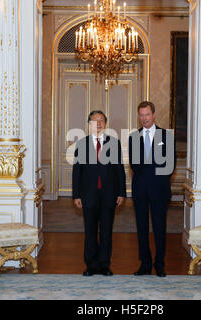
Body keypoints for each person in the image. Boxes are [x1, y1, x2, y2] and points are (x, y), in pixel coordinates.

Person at [72, 110, 126, 276]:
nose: (98, 123)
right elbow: (77, 171)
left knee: (106, 232)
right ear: (89, 125)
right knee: (90, 232)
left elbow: (119, 169)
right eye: (95, 121)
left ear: (105, 123)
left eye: (101, 120)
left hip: (109, 195)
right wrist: (76, 195)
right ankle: (91, 265)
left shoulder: (114, 143)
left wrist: (121, 192)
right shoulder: (81, 144)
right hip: (88, 195)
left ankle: (104, 265)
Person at [129, 101, 175, 277]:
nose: (144, 118)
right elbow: (134, 164)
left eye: (147, 115)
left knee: (159, 227)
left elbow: (170, 165)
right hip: (140, 188)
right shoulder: (134, 137)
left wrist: (155, 177)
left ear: (153, 115)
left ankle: (160, 264)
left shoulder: (166, 136)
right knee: (141, 228)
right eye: (141, 115)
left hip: (159, 189)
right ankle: (145, 264)